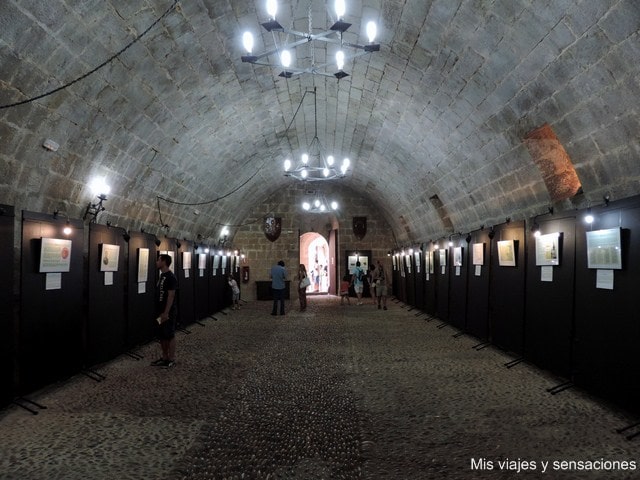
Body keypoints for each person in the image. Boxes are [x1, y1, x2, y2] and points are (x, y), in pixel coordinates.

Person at [151, 254, 177, 368]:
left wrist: (166, 312)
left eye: (158, 260)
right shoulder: (162, 276)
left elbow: (171, 295)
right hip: (160, 311)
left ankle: (171, 359)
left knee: (169, 334)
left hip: (167, 312)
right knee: (162, 335)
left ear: (164, 262)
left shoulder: (171, 277)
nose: (157, 262)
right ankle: (164, 357)